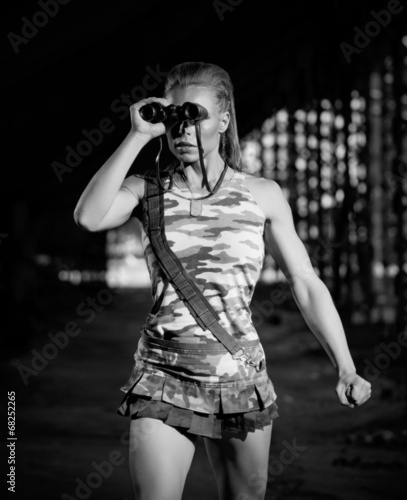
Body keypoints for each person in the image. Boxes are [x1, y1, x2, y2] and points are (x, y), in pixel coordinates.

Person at [73, 61, 372, 500]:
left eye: (195, 116)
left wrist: (345, 366)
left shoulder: (261, 194)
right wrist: (138, 134)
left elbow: (304, 281)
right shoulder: (146, 189)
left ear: (225, 120)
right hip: (162, 377)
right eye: (173, 118)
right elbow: (88, 217)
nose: (183, 130)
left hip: (239, 379)